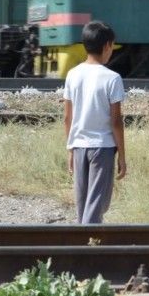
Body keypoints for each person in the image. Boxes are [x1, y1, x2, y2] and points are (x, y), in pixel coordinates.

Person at [62, 21, 127, 223]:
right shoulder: (112, 78)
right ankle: (87, 249)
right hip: (103, 147)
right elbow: (116, 121)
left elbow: (67, 118)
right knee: (97, 204)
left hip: (80, 145)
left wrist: (70, 149)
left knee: (83, 206)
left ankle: (87, 246)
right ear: (107, 46)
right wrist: (122, 157)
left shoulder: (73, 75)